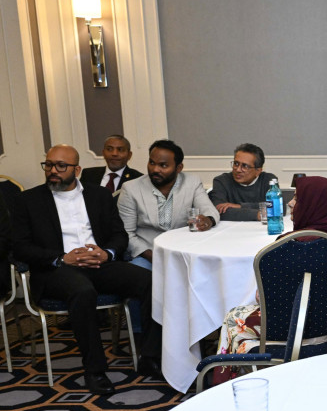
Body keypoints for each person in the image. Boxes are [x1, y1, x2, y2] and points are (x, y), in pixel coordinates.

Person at [11, 144, 162, 394]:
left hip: (98, 264)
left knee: (151, 281)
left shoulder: (99, 195)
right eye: (49, 165)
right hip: (56, 270)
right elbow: (19, 247)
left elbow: (119, 235)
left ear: (77, 169)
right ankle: (95, 370)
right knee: (82, 291)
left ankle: (150, 357)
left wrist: (106, 253)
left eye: (61, 166)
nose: (53, 170)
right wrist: (61, 258)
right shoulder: (28, 200)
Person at [215, 176, 327, 377]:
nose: (289, 203)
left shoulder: (285, 247)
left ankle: (232, 380)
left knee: (233, 317)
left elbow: (262, 299)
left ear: (313, 205)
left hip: (283, 337)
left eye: (297, 198)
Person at [118, 140, 219, 269]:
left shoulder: (192, 182)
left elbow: (209, 210)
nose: (155, 169)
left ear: (179, 168)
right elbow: (126, 233)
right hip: (147, 254)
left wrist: (208, 220)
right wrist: (153, 256)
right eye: (152, 163)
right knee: (136, 275)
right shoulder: (131, 188)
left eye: (163, 165)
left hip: (183, 252)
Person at [208, 143, 279, 221]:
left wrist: (240, 206)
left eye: (245, 166)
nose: (238, 169)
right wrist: (258, 214)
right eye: (236, 164)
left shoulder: (269, 180)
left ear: (258, 171)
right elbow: (218, 211)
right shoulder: (221, 181)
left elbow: (278, 207)